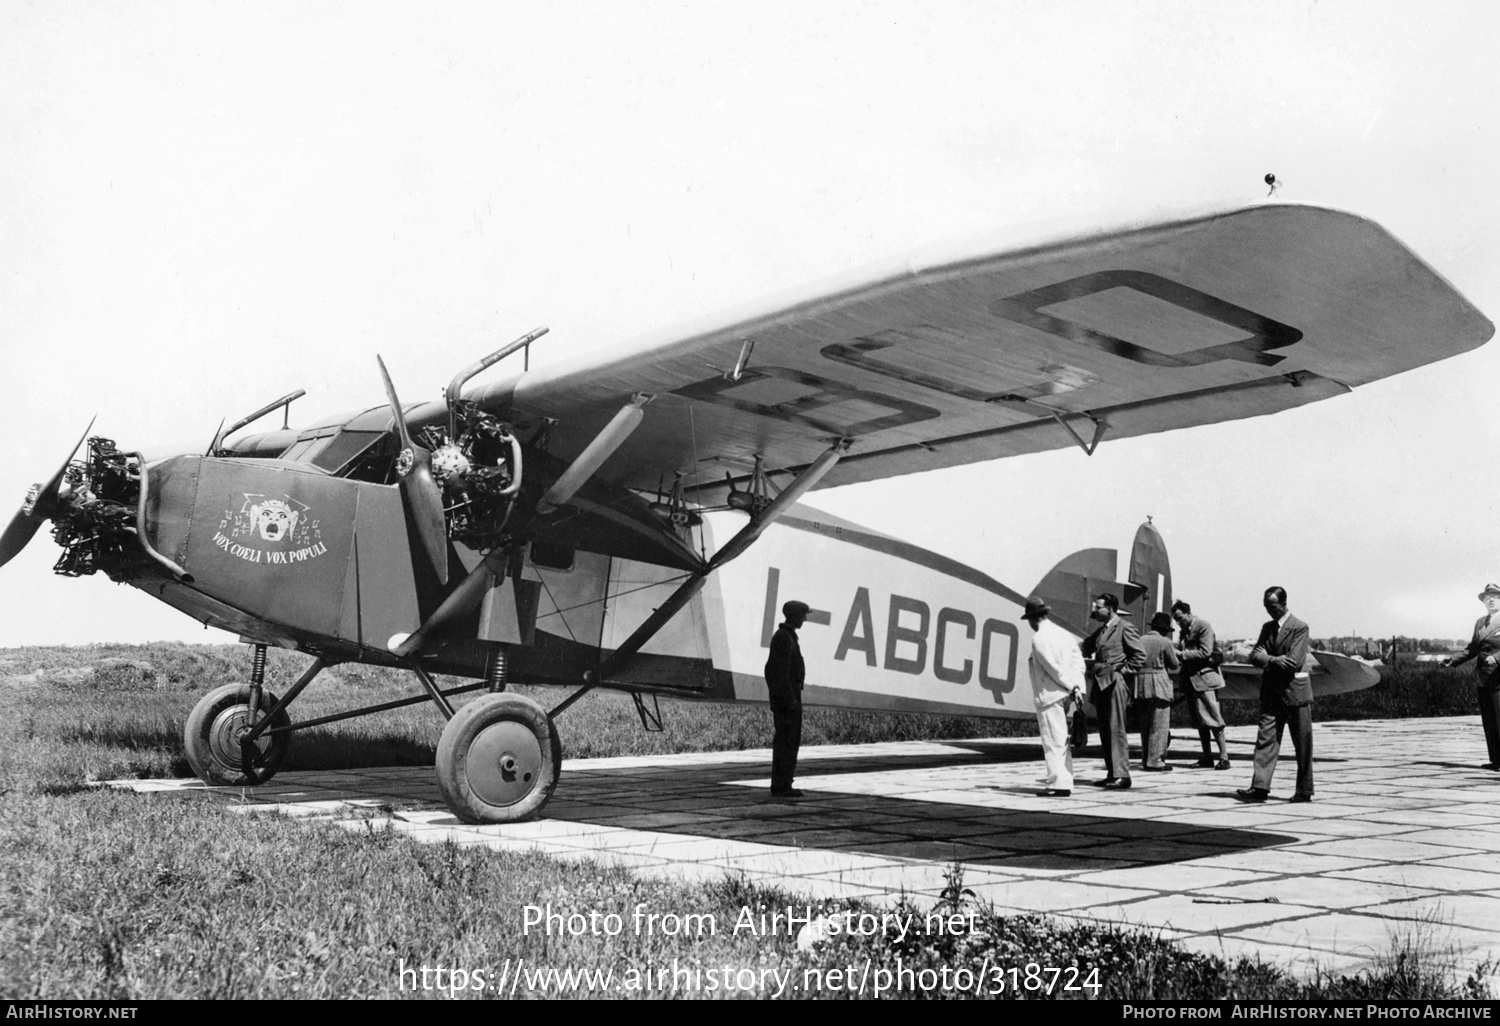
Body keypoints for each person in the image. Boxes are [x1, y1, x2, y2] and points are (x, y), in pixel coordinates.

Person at [1237, 586, 1313, 803]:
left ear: (1284, 603)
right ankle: (1260, 788)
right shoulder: (1267, 627)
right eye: (1266, 607)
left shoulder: (1300, 627)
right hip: (1271, 694)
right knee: (1265, 741)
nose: (1269, 611)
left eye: (1273, 607)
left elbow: (1294, 662)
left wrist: (1268, 659)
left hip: (1295, 694)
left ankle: (1304, 790)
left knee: (1303, 744)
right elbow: (1254, 655)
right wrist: (1274, 660)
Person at [1023, 596, 1087, 797]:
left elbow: (1052, 668)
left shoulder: (1039, 638)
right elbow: (1080, 664)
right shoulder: (1064, 634)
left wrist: (1069, 684)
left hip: (1050, 694)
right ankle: (1065, 781)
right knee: (1062, 740)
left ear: (1033, 619)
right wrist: (1077, 688)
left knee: (1053, 740)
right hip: (1066, 695)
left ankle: (1058, 784)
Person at [1080, 593, 1145, 789]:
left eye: (1098, 607)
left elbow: (1140, 655)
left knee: (1116, 729)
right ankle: (1112, 772)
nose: (1095, 610)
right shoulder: (1101, 631)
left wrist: (1122, 671)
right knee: (1105, 729)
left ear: (1110, 608)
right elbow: (1084, 647)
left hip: (1115, 683)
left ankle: (1122, 775)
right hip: (1101, 683)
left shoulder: (1124, 628)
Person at [1443, 584, 1500, 770]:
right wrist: (1452, 660)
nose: (1491, 599)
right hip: (1484, 677)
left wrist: (1497, 658)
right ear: (1483, 601)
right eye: (1487, 597)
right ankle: (1496, 760)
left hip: (1499, 676)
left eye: (1495, 596)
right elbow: (1473, 648)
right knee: (1489, 720)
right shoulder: (1480, 622)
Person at [1171, 600, 1231, 770]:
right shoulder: (1184, 631)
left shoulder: (1203, 626)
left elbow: (1205, 651)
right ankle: (1207, 756)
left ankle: (1224, 757)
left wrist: (1181, 654)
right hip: (1191, 681)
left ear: (1188, 613)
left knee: (1214, 718)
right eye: (1176, 619)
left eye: (1180, 618)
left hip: (1205, 680)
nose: (1178, 622)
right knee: (1199, 720)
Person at [764, 599, 809, 798]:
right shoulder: (783, 637)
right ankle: (782, 785)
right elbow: (776, 672)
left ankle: (784, 783)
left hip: (790, 696)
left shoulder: (787, 636)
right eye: (803, 615)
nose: (805, 619)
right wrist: (789, 699)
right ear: (794, 616)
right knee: (786, 742)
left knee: (790, 741)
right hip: (787, 700)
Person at [1136, 612, 1180, 771]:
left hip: (1141, 684)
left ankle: (1145, 759)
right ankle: (1156, 761)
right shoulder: (1165, 642)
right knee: (1160, 726)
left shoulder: (1139, 640)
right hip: (1160, 684)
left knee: (1145, 725)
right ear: (1165, 629)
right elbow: (1174, 664)